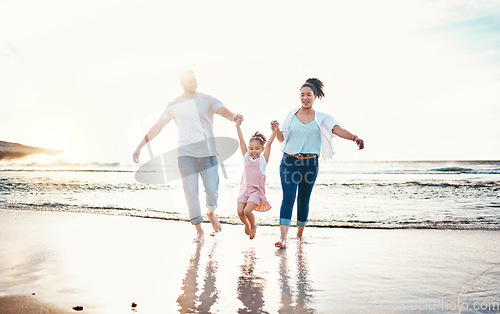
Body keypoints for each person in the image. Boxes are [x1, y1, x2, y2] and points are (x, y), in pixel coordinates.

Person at [133, 70, 243, 243]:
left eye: (195, 80)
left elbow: (224, 111)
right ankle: (199, 231)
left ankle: (211, 213)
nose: (194, 83)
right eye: (189, 81)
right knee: (190, 192)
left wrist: (235, 117)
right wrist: (140, 145)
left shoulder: (207, 99)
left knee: (212, 191)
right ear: (182, 83)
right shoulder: (174, 104)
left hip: (208, 153)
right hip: (186, 155)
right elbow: (158, 126)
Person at [271, 78, 364, 248]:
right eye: (302, 95)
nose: (305, 98)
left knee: (303, 200)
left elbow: (336, 129)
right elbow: (281, 139)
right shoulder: (291, 115)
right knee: (288, 198)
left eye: (308, 95)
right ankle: (283, 238)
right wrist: (276, 129)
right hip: (289, 161)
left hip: (310, 164)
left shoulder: (322, 118)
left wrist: (354, 138)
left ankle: (299, 235)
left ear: (315, 96)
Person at [235, 118, 276, 239]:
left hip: (256, 192)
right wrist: (238, 126)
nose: (254, 151)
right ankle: (246, 224)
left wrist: (274, 131)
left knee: (247, 211)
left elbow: (269, 144)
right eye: (251, 148)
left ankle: (253, 226)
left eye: (257, 148)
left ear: (262, 149)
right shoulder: (246, 157)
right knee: (240, 212)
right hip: (244, 190)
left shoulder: (262, 161)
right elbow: (241, 141)